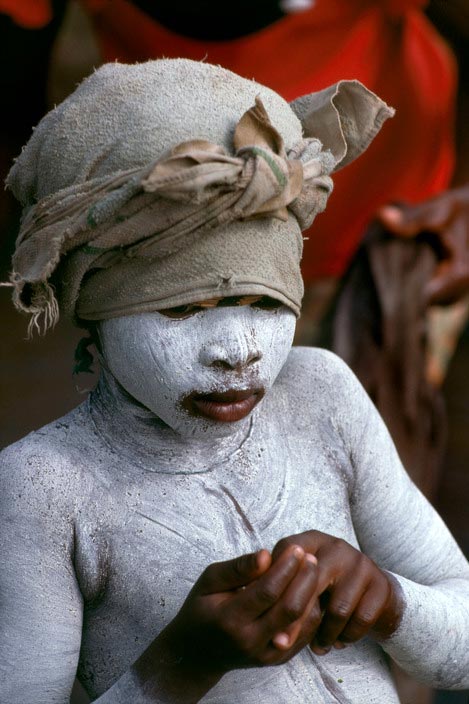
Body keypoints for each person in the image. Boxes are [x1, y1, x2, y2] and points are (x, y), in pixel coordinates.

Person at [1, 58, 469, 704]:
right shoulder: (45, 490)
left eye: (265, 303)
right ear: (97, 314)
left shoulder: (319, 393)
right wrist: (179, 665)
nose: (238, 352)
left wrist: (390, 602)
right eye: (182, 309)